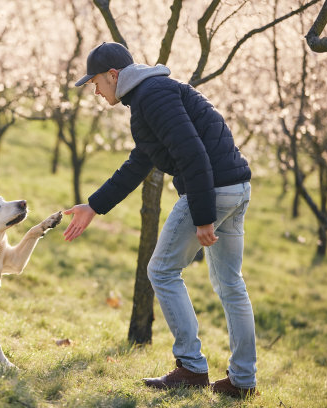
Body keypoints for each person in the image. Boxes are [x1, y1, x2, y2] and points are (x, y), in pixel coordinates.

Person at [64, 42, 257, 398]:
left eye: (95, 83)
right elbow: (139, 162)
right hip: (236, 187)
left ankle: (191, 368)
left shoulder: (153, 96)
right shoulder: (153, 96)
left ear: (113, 75)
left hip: (211, 190)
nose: (94, 91)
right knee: (231, 283)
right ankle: (242, 382)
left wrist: (202, 216)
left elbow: (193, 154)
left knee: (162, 271)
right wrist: (93, 206)